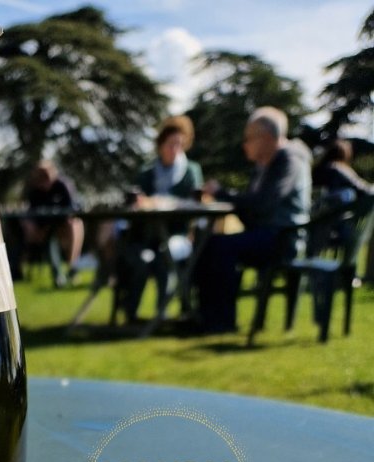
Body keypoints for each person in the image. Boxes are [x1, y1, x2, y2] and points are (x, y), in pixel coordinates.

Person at [192, 107, 311, 333]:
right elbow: (252, 208)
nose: (245, 144)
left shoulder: (288, 160)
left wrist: (222, 194)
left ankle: (221, 322)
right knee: (208, 243)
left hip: (284, 238)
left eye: (249, 138)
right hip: (266, 234)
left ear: (266, 138)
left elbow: (263, 204)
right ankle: (204, 316)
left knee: (220, 247)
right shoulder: (264, 164)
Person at [118, 116, 204, 322]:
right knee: (140, 258)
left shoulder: (190, 171)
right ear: (161, 145)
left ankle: (163, 311)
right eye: (171, 144)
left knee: (165, 254)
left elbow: (196, 203)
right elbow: (135, 203)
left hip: (179, 235)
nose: (175, 149)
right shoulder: (147, 174)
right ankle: (131, 313)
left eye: (179, 145)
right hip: (148, 237)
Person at [19, 160, 83, 287]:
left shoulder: (62, 185)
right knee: (47, 237)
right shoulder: (35, 190)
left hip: (63, 224)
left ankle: (72, 267)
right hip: (44, 226)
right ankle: (58, 275)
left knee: (75, 225)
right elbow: (32, 212)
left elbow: (72, 209)